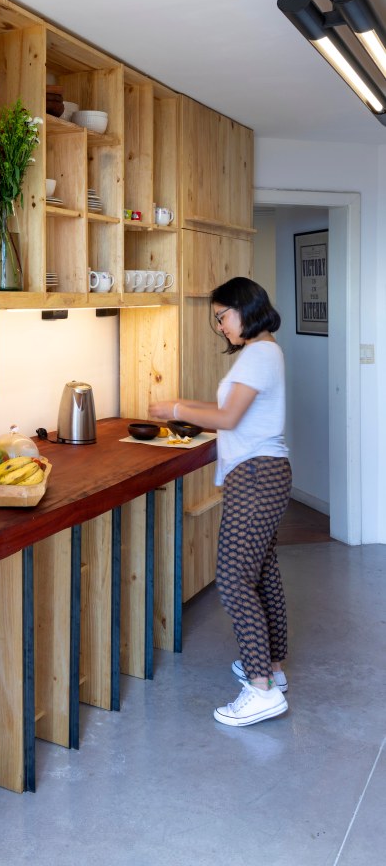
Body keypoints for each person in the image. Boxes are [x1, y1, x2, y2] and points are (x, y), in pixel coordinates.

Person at [149, 276, 292, 727]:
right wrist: (182, 405)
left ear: (245, 308)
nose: (220, 327)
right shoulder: (264, 351)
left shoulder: (260, 354)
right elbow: (232, 415)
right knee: (261, 573)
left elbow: (228, 417)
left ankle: (261, 690)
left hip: (255, 475)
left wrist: (176, 409)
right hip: (265, 473)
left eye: (221, 316)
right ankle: (271, 668)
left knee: (232, 579)